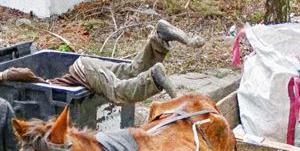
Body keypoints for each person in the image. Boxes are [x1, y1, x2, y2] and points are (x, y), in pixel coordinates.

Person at [48, 19, 204, 103]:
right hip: (87, 65)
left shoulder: (44, 86)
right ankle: (160, 37)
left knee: (117, 91)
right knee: (130, 72)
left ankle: (154, 78)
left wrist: (26, 77)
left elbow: (24, 73)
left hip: (82, 73)